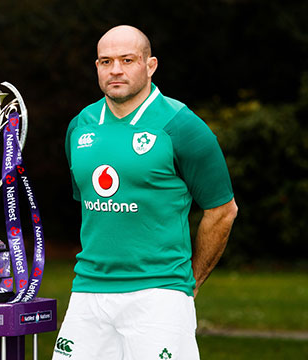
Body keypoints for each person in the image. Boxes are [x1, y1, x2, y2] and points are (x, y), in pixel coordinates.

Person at [53, 25, 238, 360]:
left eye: (128, 60)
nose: (116, 70)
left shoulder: (182, 126)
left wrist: (189, 283)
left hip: (158, 294)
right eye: (105, 61)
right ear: (96, 67)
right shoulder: (81, 125)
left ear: (150, 65)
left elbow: (223, 210)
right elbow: (90, 206)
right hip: (89, 290)